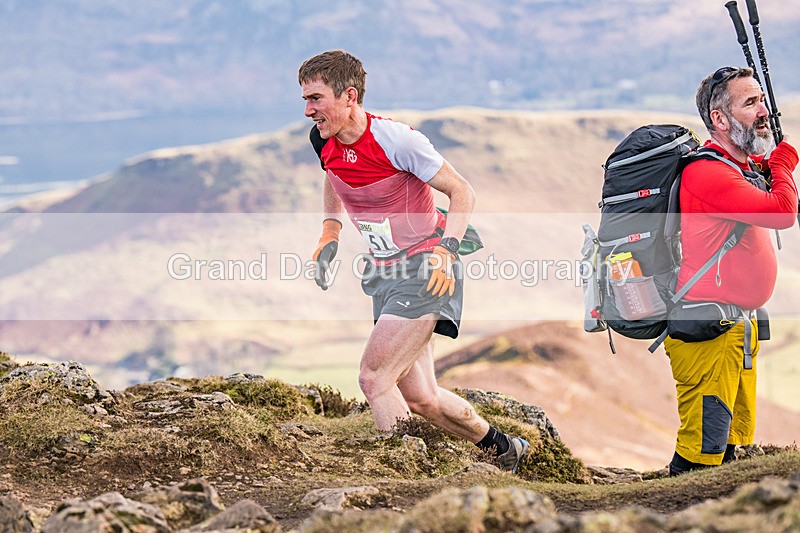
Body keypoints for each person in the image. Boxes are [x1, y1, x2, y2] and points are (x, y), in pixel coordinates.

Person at [298, 49, 529, 473]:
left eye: (317, 99)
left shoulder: (397, 141)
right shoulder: (323, 139)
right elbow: (332, 175)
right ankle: (505, 448)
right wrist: (331, 231)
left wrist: (446, 251)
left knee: (374, 378)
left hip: (427, 268)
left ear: (349, 97)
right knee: (421, 397)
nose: (310, 110)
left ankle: (407, 477)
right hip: (385, 272)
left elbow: (463, 192)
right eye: (306, 101)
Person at [665, 66, 798, 475]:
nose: (764, 112)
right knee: (700, 451)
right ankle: (665, 517)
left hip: (735, 330)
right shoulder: (708, 173)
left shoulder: (737, 165)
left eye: (762, 100)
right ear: (719, 120)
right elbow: (782, 212)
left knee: (726, 447)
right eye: (750, 103)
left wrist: (771, 161)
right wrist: (786, 163)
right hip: (710, 333)